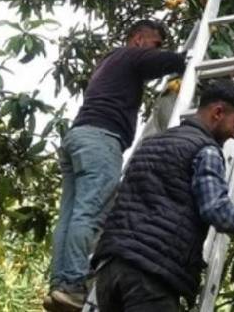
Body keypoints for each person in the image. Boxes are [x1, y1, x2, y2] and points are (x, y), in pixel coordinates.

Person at [90, 80, 234, 312]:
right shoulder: (205, 150)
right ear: (217, 113)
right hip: (150, 277)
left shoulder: (150, 144)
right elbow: (218, 211)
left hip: (108, 272)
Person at [45, 20, 186, 312]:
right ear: (138, 39)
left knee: (70, 215)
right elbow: (168, 62)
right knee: (89, 214)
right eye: (156, 43)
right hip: (101, 139)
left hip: (78, 137)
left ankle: (60, 284)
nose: (157, 49)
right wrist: (186, 59)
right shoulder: (128, 54)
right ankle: (71, 284)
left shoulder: (108, 61)